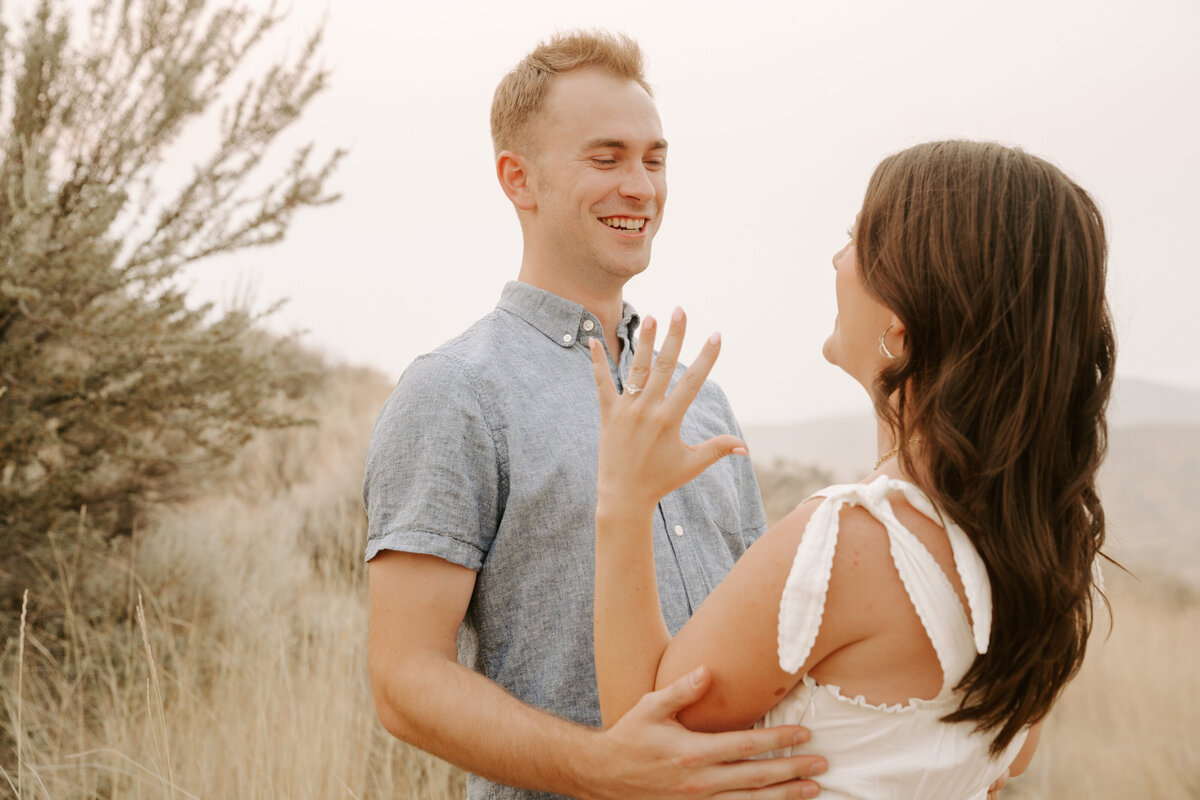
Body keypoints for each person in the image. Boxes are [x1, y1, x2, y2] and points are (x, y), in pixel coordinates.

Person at [363, 30, 828, 800]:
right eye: (606, 158)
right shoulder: (454, 391)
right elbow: (404, 679)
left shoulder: (702, 400)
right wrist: (607, 771)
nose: (641, 187)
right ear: (519, 179)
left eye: (654, 158)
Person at [589, 140, 1113, 798]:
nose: (838, 261)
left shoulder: (850, 541)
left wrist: (624, 496)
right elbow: (999, 769)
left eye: (857, 239)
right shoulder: (1034, 556)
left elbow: (640, 740)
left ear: (902, 326)